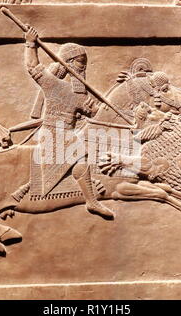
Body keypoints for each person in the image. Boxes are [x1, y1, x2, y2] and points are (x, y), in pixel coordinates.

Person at [23, 27, 115, 220]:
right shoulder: (53, 84)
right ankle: (91, 201)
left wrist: (95, 109)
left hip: (68, 133)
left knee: (85, 153)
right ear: (69, 63)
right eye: (80, 63)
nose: (83, 68)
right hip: (52, 132)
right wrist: (31, 44)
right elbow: (32, 67)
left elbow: (93, 114)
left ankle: (88, 197)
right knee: (80, 155)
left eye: (84, 64)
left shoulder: (80, 93)